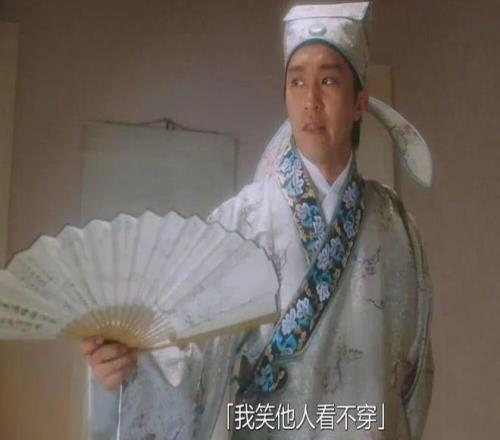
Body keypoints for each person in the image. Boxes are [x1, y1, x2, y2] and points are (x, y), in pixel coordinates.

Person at [82, 3, 434, 439]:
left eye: (328, 80)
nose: (311, 101)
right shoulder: (241, 224)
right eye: (297, 81)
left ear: (359, 102)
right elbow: (192, 368)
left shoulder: (396, 227)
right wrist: (128, 369)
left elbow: (413, 379)